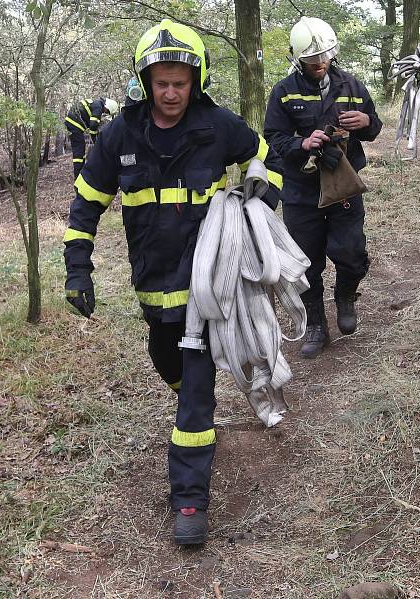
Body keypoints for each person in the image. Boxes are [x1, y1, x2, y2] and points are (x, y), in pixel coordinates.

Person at [63, 19, 283, 545]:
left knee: (194, 397)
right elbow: (86, 200)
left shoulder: (216, 126)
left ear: (195, 79)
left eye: (179, 82)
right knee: (167, 361)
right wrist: (78, 266)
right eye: (160, 82)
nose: (170, 93)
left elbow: (264, 154)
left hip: (207, 288)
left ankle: (189, 500)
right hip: (151, 286)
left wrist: (262, 189)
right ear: (146, 82)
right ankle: (194, 391)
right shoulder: (121, 133)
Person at [263, 16, 382, 359]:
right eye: (312, 61)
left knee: (351, 250)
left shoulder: (352, 86)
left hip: (344, 186)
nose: (319, 65)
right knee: (305, 261)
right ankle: (316, 324)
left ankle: (345, 295)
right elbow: (273, 139)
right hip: (302, 191)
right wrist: (302, 143)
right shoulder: (283, 93)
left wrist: (365, 123)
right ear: (297, 58)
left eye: (324, 59)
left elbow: (375, 127)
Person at [64, 97, 119, 177]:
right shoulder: (98, 107)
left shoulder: (96, 103)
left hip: (72, 123)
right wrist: (96, 141)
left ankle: (80, 172)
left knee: (79, 150)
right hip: (75, 125)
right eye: (107, 111)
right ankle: (78, 175)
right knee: (79, 151)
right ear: (107, 107)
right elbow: (93, 125)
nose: (105, 113)